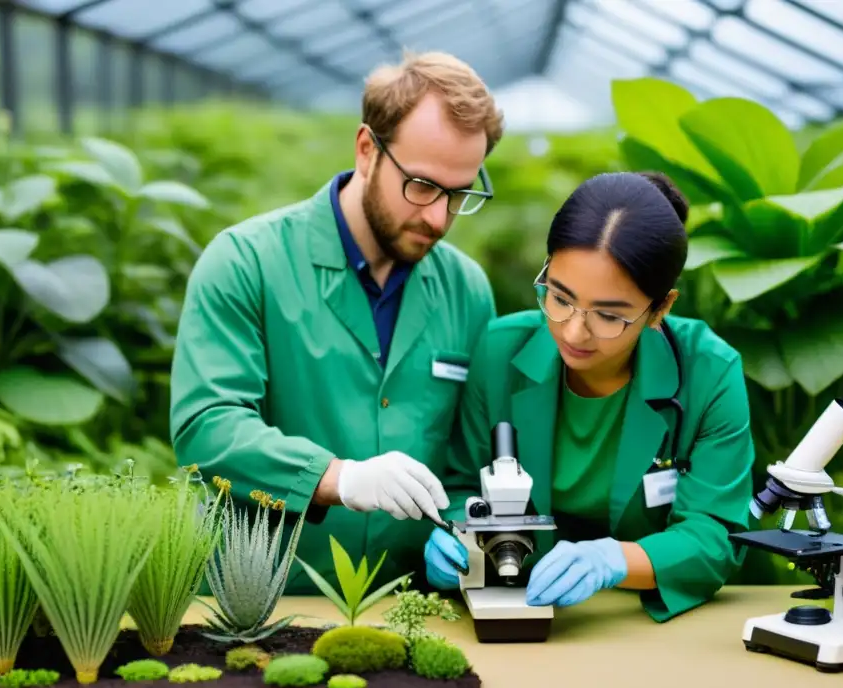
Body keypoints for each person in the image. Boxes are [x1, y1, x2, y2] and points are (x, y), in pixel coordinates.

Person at [169, 51, 504, 593]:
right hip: (262, 603)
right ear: (368, 149)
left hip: (413, 605)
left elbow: (472, 459)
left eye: (460, 193)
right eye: (421, 186)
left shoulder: (467, 290)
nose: (439, 217)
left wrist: (467, 526)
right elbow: (207, 430)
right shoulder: (246, 262)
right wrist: (337, 478)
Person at [423, 171, 756, 622]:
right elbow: (464, 484)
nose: (574, 330)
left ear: (661, 308)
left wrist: (615, 561)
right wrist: (460, 538)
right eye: (559, 297)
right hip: (515, 604)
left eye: (608, 315)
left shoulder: (710, 372)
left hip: (639, 618)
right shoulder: (500, 351)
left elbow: (715, 534)